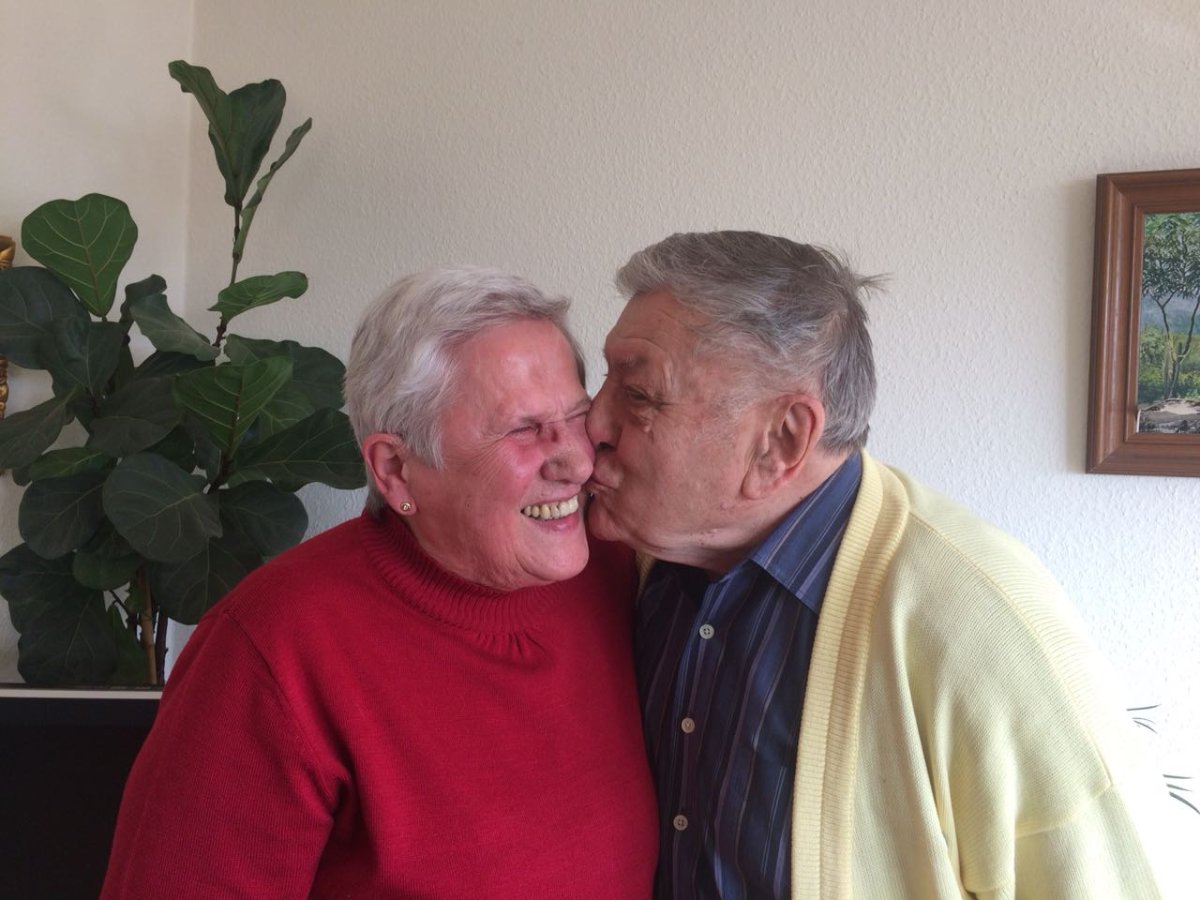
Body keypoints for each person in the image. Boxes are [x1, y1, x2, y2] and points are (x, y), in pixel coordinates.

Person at [584, 231, 1183, 899]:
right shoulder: (630, 562)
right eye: (603, 380)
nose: (593, 424)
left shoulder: (981, 621)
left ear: (781, 440)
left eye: (639, 395)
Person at [102, 267, 658, 898]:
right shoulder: (274, 646)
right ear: (395, 469)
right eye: (523, 429)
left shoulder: (621, 569)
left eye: (578, 415)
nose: (578, 462)